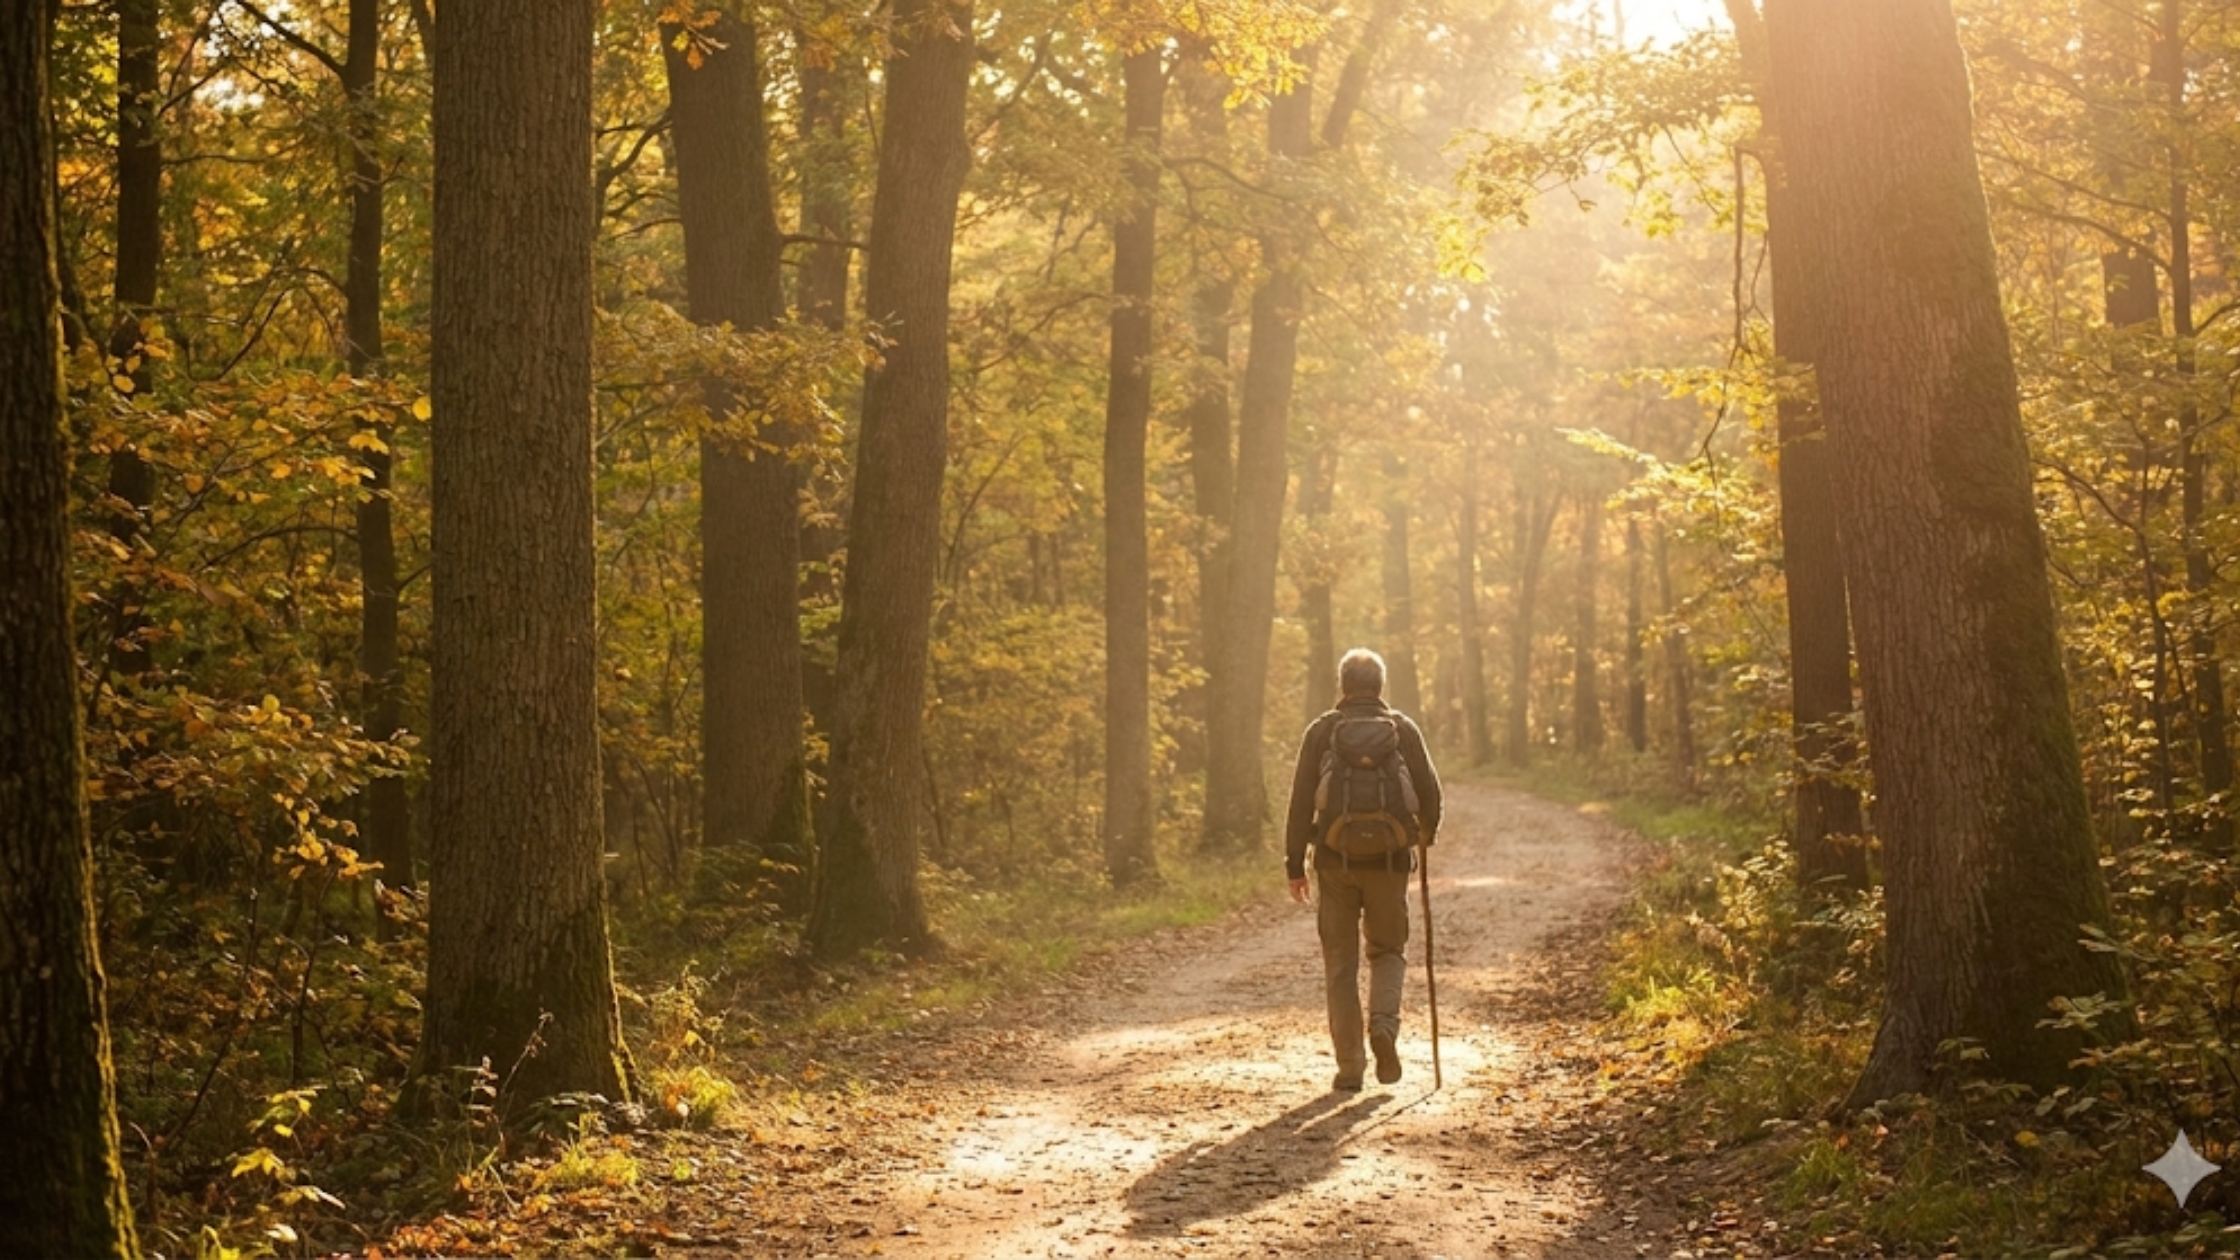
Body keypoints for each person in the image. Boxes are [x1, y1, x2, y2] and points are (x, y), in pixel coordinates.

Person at [1285, 647, 1443, 1092]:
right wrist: (1421, 838)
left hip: (1334, 865)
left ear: (1343, 686)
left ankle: (1350, 1067)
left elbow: (1300, 803)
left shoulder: (1321, 732)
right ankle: (1384, 1029)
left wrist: (1294, 863)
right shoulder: (1402, 729)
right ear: (1380, 686)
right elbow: (1431, 797)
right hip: (1390, 865)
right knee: (1388, 952)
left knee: (1340, 965)